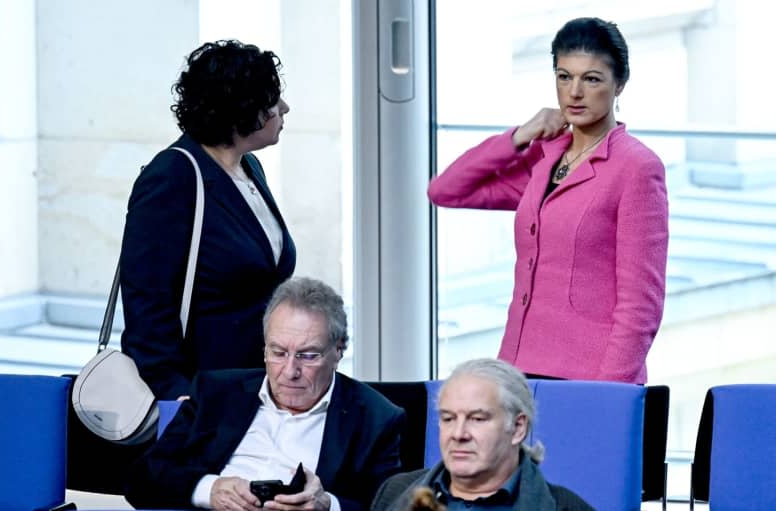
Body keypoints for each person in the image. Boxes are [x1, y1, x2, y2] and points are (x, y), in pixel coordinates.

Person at [427, 17, 668, 383]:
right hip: (517, 371)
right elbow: (446, 189)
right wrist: (521, 134)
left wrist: (606, 396)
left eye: (591, 79)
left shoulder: (637, 168)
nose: (574, 92)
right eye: (564, 76)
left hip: (590, 378)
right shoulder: (544, 159)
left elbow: (641, 306)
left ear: (619, 84)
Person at [125, 277, 406, 511]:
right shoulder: (216, 392)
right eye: (278, 352)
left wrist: (327, 505)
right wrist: (209, 489)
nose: (289, 370)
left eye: (308, 356)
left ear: (338, 350)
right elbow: (142, 478)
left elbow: (391, 504)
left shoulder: (376, 418)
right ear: (264, 348)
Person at [120, 40, 296, 399]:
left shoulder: (249, 168)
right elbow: (147, 303)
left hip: (254, 389)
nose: (284, 108)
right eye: (272, 100)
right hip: (200, 397)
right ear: (242, 109)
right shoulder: (173, 176)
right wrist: (175, 398)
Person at [371, 359, 594, 511]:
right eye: (448, 419)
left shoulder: (566, 507)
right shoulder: (394, 493)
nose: (458, 434)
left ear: (517, 428)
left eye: (477, 419)